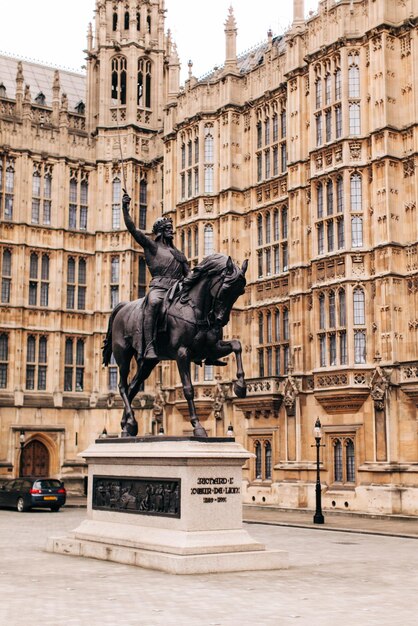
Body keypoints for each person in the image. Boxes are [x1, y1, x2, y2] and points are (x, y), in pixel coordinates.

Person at [122, 191, 189, 359]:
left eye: (171, 229)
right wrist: (125, 208)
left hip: (178, 290)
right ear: (160, 231)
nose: (171, 231)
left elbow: (188, 276)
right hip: (159, 288)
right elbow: (133, 229)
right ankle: (149, 346)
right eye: (167, 229)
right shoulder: (152, 247)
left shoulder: (179, 254)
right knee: (152, 304)